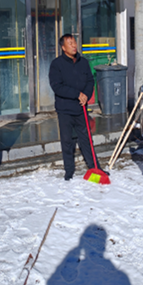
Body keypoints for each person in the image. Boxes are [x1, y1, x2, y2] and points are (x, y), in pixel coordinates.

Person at [49, 34, 104, 180]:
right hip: (65, 109)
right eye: (70, 43)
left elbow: (90, 80)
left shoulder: (83, 62)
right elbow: (57, 86)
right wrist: (77, 94)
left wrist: (86, 95)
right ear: (63, 47)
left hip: (81, 108)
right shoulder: (57, 64)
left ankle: (95, 167)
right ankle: (69, 170)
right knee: (67, 141)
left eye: (74, 42)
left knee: (86, 139)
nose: (74, 46)